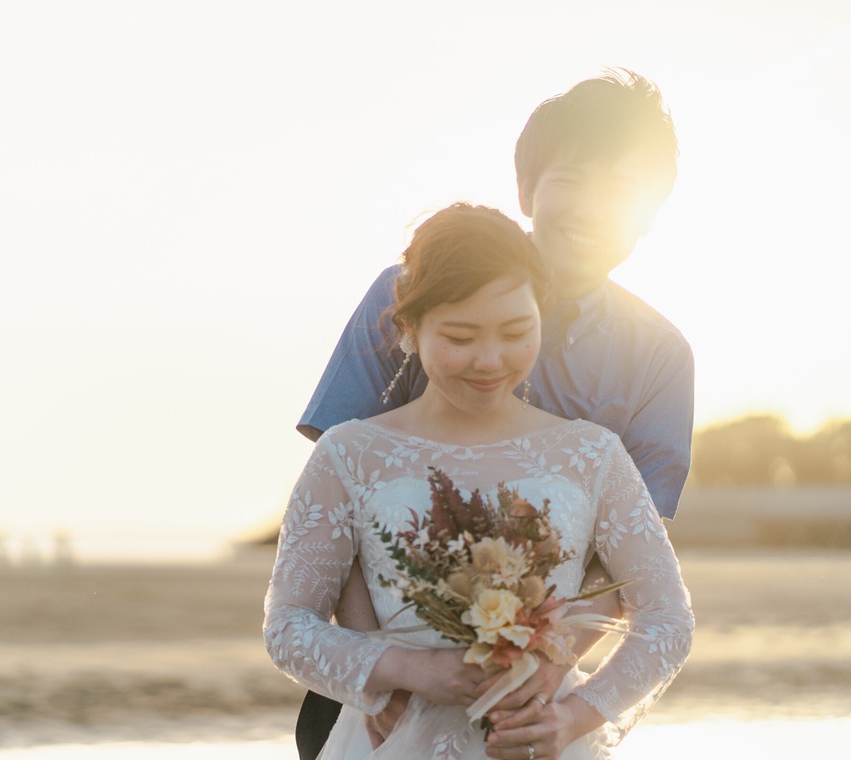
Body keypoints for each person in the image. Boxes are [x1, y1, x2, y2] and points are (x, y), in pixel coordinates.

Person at [292, 68, 694, 760]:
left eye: (621, 190)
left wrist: (549, 664)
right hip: (377, 670)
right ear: (527, 190)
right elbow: (340, 504)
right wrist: (377, 665)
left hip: (539, 692)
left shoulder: (659, 355)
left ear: (652, 210)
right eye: (571, 179)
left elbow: (628, 557)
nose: (591, 209)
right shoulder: (408, 290)